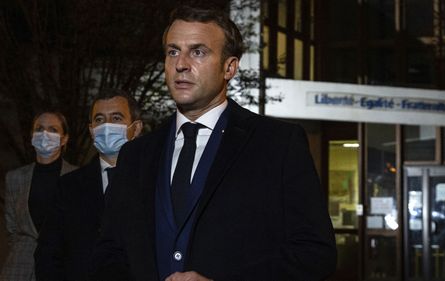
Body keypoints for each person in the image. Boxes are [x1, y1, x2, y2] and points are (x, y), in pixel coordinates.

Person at [91, 5, 337, 281]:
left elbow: (315, 252)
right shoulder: (136, 154)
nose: (181, 64)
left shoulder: (277, 144)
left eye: (198, 52)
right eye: (173, 51)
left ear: (229, 67)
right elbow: (109, 252)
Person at [34, 89, 143, 281]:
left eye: (116, 118)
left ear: (136, 128)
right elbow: (47, 254)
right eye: (99, 120)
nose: (107, 126)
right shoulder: (68, 186)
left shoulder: (155, 182)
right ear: (92, 130)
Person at [1, 110, 78, 281]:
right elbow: (12, 228)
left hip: (61, 267)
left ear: (64, 138)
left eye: (53, 129)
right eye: (39, 128)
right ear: (31, 135)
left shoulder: (78, 177)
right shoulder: (14, 178)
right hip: (18, 268)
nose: (45, 134)